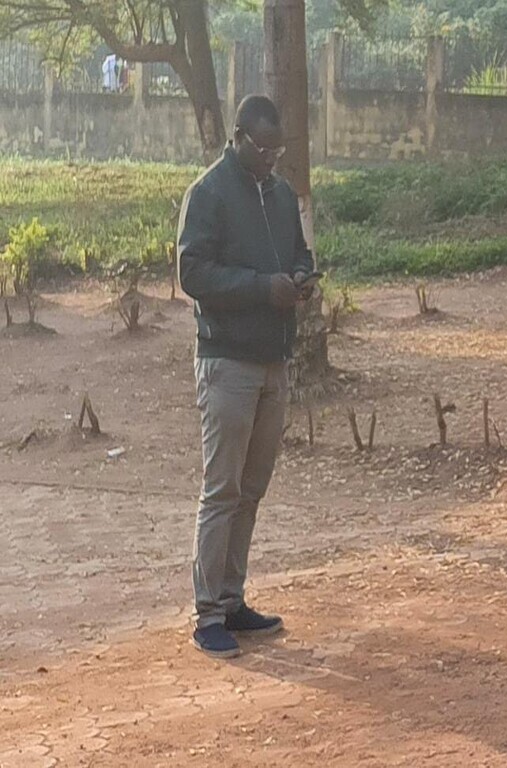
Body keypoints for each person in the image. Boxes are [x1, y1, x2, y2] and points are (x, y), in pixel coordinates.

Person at [178, 95, 314, 659]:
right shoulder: (208, 193)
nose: (271, 159)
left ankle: (232, 600)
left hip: (272, 361)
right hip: (227, 361)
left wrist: (301, 277)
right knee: (222, 489)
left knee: (251, 490)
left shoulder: (280, 195)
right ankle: (208, 613)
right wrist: (262, 288)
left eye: (278, 150)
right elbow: (192, 272)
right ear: (237, 138)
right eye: (262, 149)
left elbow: (300, 252)